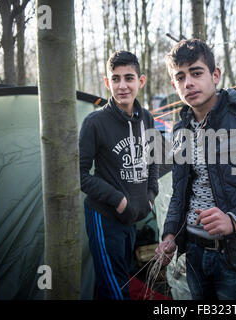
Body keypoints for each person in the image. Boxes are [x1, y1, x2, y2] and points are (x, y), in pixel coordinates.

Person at [155, 39, 236, 300]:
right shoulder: (180, 129)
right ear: (174, 85)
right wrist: (171, 233)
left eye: (196, 72)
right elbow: (179, 192)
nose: (188, 83)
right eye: (180, 77)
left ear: (215, 75)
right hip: (193, 253)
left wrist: (234, 219)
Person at [79, 51, 158, 300]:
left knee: (119, 280)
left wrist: (150, 195)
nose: (122, 86)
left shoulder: (146, 119)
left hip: (132, 218)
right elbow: (79, 174)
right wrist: (119, 200)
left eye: (129, 78)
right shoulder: (95, 122)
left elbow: (153, 160)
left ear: (141, 81)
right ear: (107, 82)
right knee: (115, 288)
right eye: (115, 79)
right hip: (105, 217)